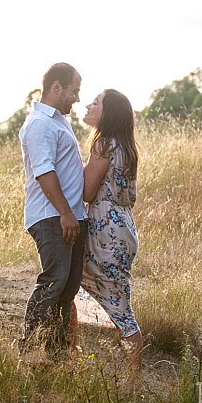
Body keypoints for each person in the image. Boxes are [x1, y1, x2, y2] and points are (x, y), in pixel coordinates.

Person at [19, 62, 88, 361]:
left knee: (67, 288)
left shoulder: (60, 121)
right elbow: (44, 172)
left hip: (70, 217)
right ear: (56, 87)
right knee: (54, 280)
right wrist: (65, 213)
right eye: (74, 91)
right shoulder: (39, 124)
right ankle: (29, 347)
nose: (77, 98)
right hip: (52, 217)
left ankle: (56, 354)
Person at [76, 89, 143, 374]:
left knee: (118, 309)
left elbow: (87, 191)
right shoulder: (126, 147)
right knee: (116, 300)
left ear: (109, 113)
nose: (89, 104)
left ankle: (132, 380)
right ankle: (82, 356)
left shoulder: (104, 144)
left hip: (107, 233)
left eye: (96, 102)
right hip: (123, 228)